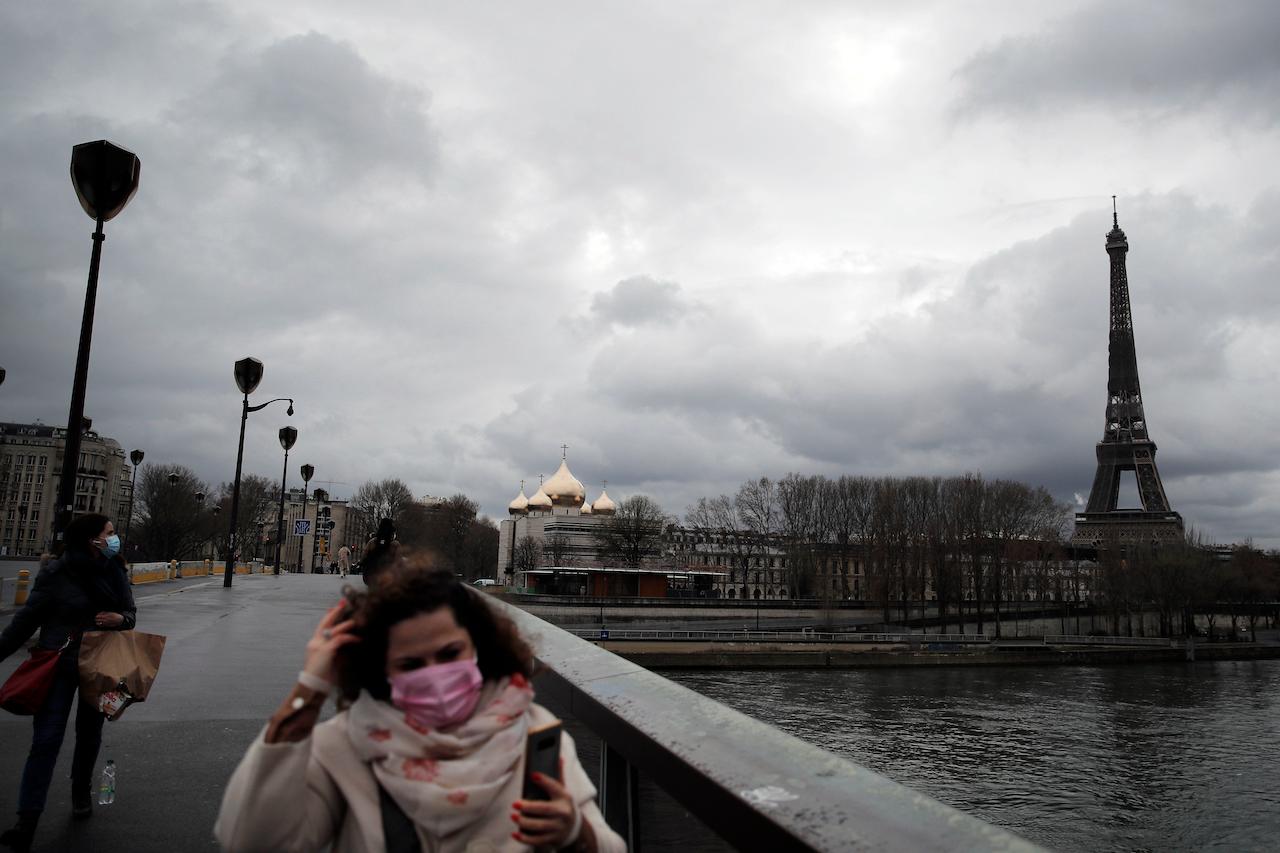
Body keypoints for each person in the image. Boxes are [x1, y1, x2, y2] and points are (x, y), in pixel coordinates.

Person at [214, 558, 625, 852]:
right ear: (381, 670)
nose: (435, 675)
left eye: (449, 654)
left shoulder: (533, 732)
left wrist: (575, 832)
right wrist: (309, 688)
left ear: (479, 647)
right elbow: (251, 840)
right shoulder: (345, 746)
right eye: (411, 665)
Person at [0, 514, 137, 853]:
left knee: (89, 734)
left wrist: (120, 619)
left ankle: (80, 791)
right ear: (92, 539)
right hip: (57, 665)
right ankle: (27, 820)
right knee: (45, 740)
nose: (114, 537)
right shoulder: (56, 573)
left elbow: (130, 614)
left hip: (100, 665)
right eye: (109, 533)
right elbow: (25, 621)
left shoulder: (115, 570)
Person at [360, 518, 400, 588]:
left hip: (371, 575)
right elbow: (398, 560)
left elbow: (364, 556)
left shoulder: (372, 542)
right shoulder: (395, 544)